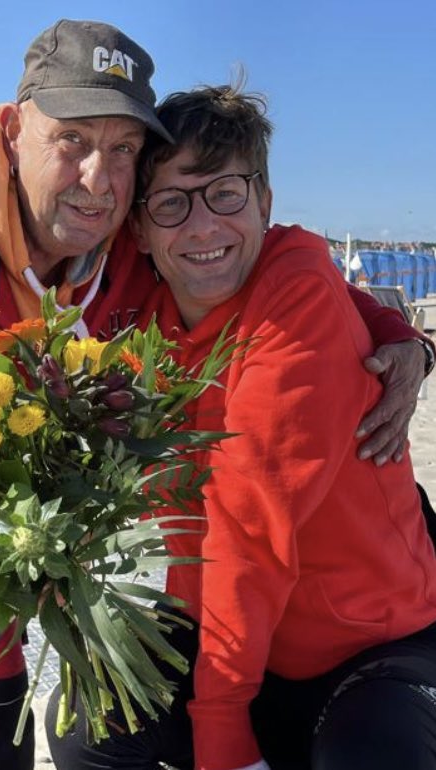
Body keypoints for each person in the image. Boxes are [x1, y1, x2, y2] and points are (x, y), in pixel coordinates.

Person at [0, 18, 429, 769]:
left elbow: (261, 248)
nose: (99, 176)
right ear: (17, 129)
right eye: (73, 141)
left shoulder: (122, 227)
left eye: (122, 149)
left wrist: (393, 332)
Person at [45, 84, 436, 770]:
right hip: (227, 634)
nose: (201, 226)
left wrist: (223, 734)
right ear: (138, 228)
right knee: (88, 718)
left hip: (368, 644)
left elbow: (248, 524)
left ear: (264, 201)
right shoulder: (142, 313)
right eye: (170, 201)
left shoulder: (297, 297)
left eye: (224, 192)